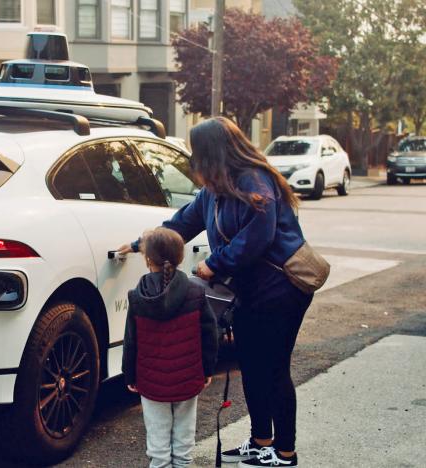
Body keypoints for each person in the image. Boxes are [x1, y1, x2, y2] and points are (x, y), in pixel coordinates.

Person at [118, 117, 313, 467]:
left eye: (197, 152)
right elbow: (180, 225)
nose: (194, 160)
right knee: (251, 364)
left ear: (213, 152)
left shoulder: (254, 180)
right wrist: (139, 244)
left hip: (281, 288)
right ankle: (260, 440)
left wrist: (215, 264)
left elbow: (259, 236)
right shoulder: (213, 193)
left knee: (273, 367)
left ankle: (285, 452)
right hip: (252, 291)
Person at [122, 227, 219, 468]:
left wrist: (130, 375)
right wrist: (207, 370)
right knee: (184, 438)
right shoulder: (196, 292)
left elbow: (130, 340)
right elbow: (209, 335)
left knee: (158, 444)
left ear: (147, 259)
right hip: (188, 378)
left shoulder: (137, 297)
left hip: (151, 381)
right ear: (181, 257)